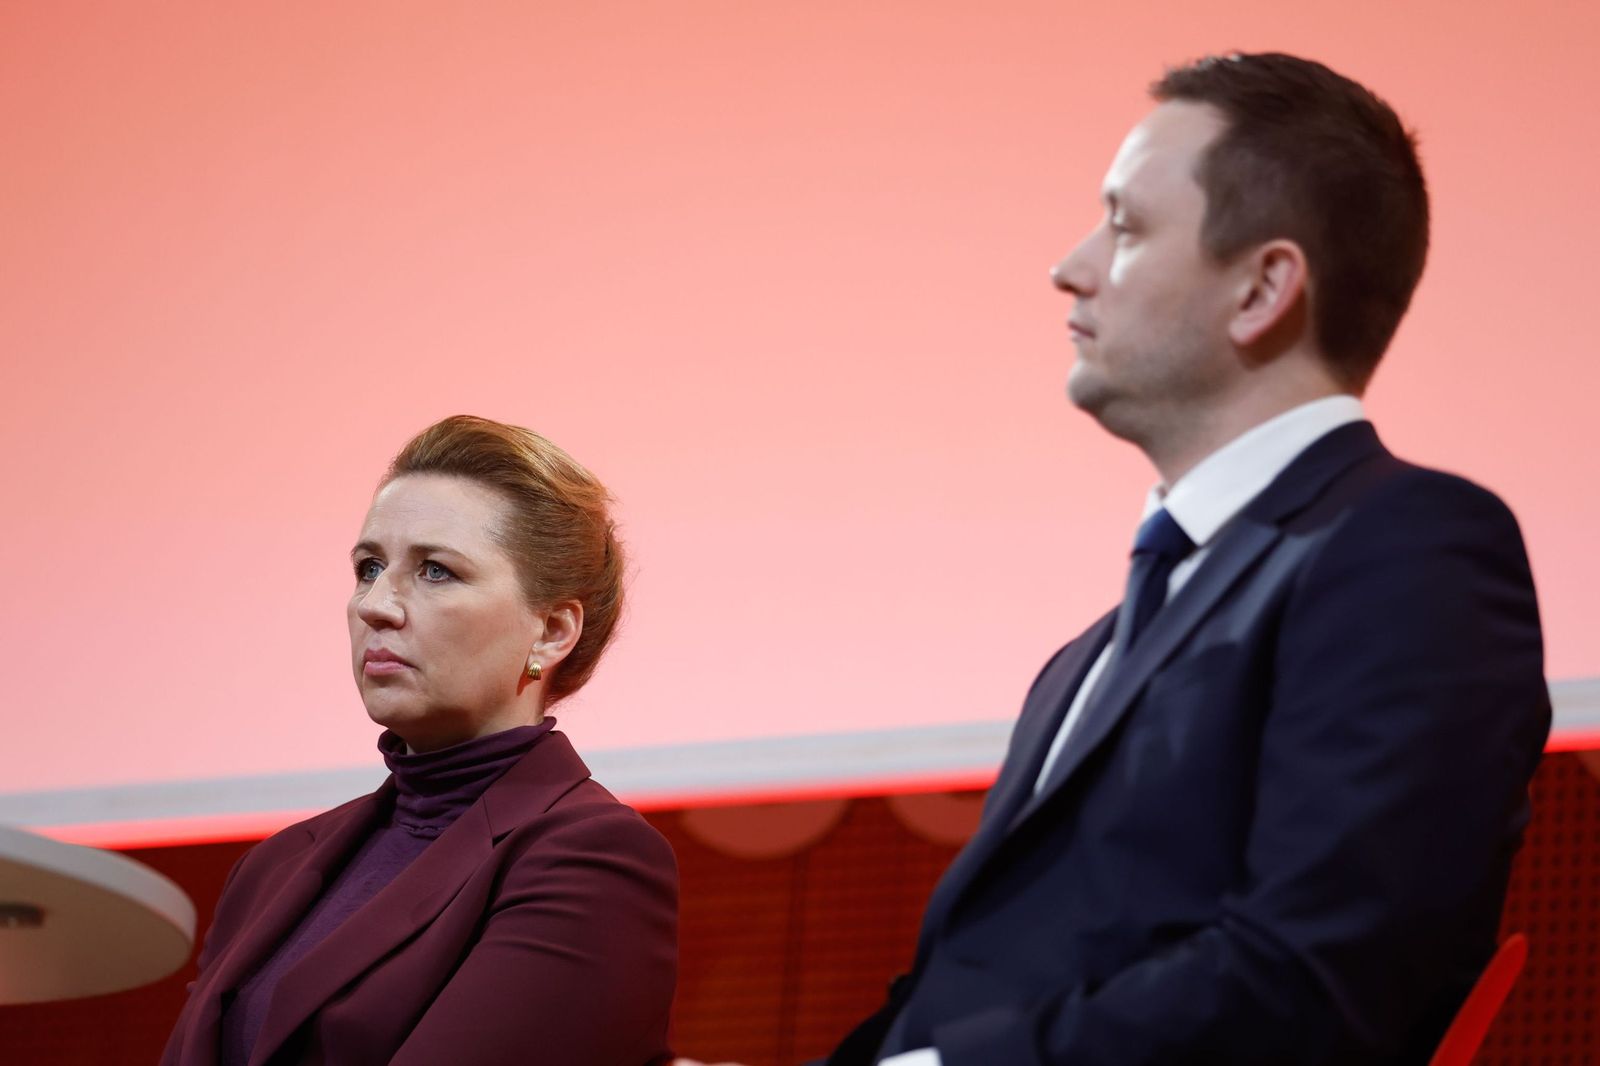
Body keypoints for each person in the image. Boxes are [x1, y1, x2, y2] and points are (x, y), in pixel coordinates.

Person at [685, 51, 1551, 1066]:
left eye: (1126, 226)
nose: (1071, 265)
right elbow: (964, 991)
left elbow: (1317, 976)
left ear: (1263, 288)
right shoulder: (1080, 660)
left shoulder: (1410, 545)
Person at [162, 415, 678, 1066]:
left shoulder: (592, 859)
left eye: (435, 571)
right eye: (368, 567)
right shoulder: (275, 866)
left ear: (551, 632)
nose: (377, 604)